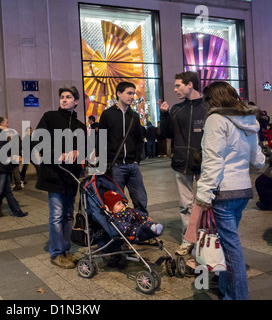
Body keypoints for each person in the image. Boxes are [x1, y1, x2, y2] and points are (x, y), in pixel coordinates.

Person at [196, 81, 265, 300]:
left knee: (231, 248)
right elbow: (257, 160)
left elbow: (213, 160)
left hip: (223, 192)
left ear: (212, 100)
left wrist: (204, 194)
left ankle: (236, 296)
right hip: (243, 189)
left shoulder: (216, 119)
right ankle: (226, 287)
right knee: (229, 243)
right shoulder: (248, 119)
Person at [35, 86, 86, 269]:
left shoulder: (80, 126)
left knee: (68, 215)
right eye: (62, 97)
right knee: (56, 215)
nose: (64, 99)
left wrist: (78, 151)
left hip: (71, 177)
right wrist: (59, 154)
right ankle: (57, 253)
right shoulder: (50, 117)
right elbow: (38, 141)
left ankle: (66, 250)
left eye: (68, 97)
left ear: (76, 101)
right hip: (53, 175)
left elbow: (85, 149)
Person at [159, 71, 207, 255]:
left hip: (204, 165)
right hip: (181, 163)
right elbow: (167, 134)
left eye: (178, 85)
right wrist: (164, 116)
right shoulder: (177, 109)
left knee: (205, 204)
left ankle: (205, 239)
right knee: (185, 206)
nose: (175, 88)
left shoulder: (208, 108)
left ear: (190, 85)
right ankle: (188, 239)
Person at [98, 81, 148, 215]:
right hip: (116, 166)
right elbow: (101, 140)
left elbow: (139, 140)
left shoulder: (134, 116)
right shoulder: (108, 114)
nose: (132, 97)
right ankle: (122, 228)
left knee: (141, 199)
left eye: (133, 93)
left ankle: (142, 226)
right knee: (117, 201)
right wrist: (105, 164)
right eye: (129, 93)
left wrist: (137, 160)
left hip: (132, 165)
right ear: (119, 94)